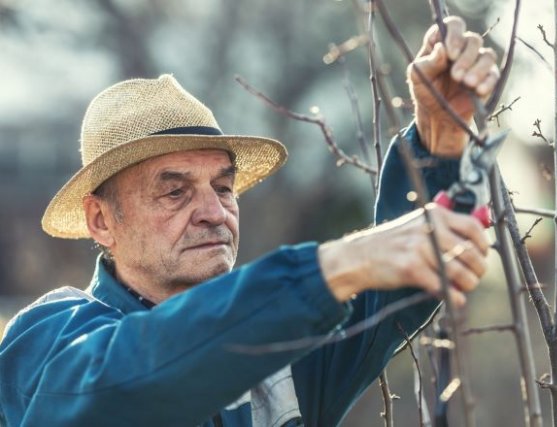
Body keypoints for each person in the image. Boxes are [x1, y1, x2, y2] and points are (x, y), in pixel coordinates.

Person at [0, 17, 498, 427]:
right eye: (174, 191)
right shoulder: (49, 341)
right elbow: (123, 384)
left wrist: (437, 138)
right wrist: (332, 267)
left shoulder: (276, 349)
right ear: (101, 221)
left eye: (223, 188)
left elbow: (398, 283)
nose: (215, 212)